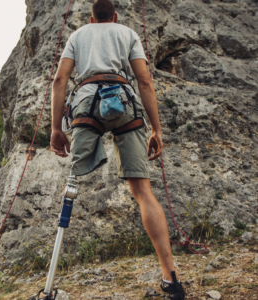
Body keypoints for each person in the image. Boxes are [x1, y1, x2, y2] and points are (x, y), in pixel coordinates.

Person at [50, 0, 185, 299]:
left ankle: (48, 285)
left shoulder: (79, 35)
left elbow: (60, 79)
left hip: (86, 102)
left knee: (72, 182)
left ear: (91, 18)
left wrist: (56, 128)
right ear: (114, 16)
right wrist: (156, 129)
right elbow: (145, 81)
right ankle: (171, 278)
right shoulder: (127, 33)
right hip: (124, 102)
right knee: (143, 192)